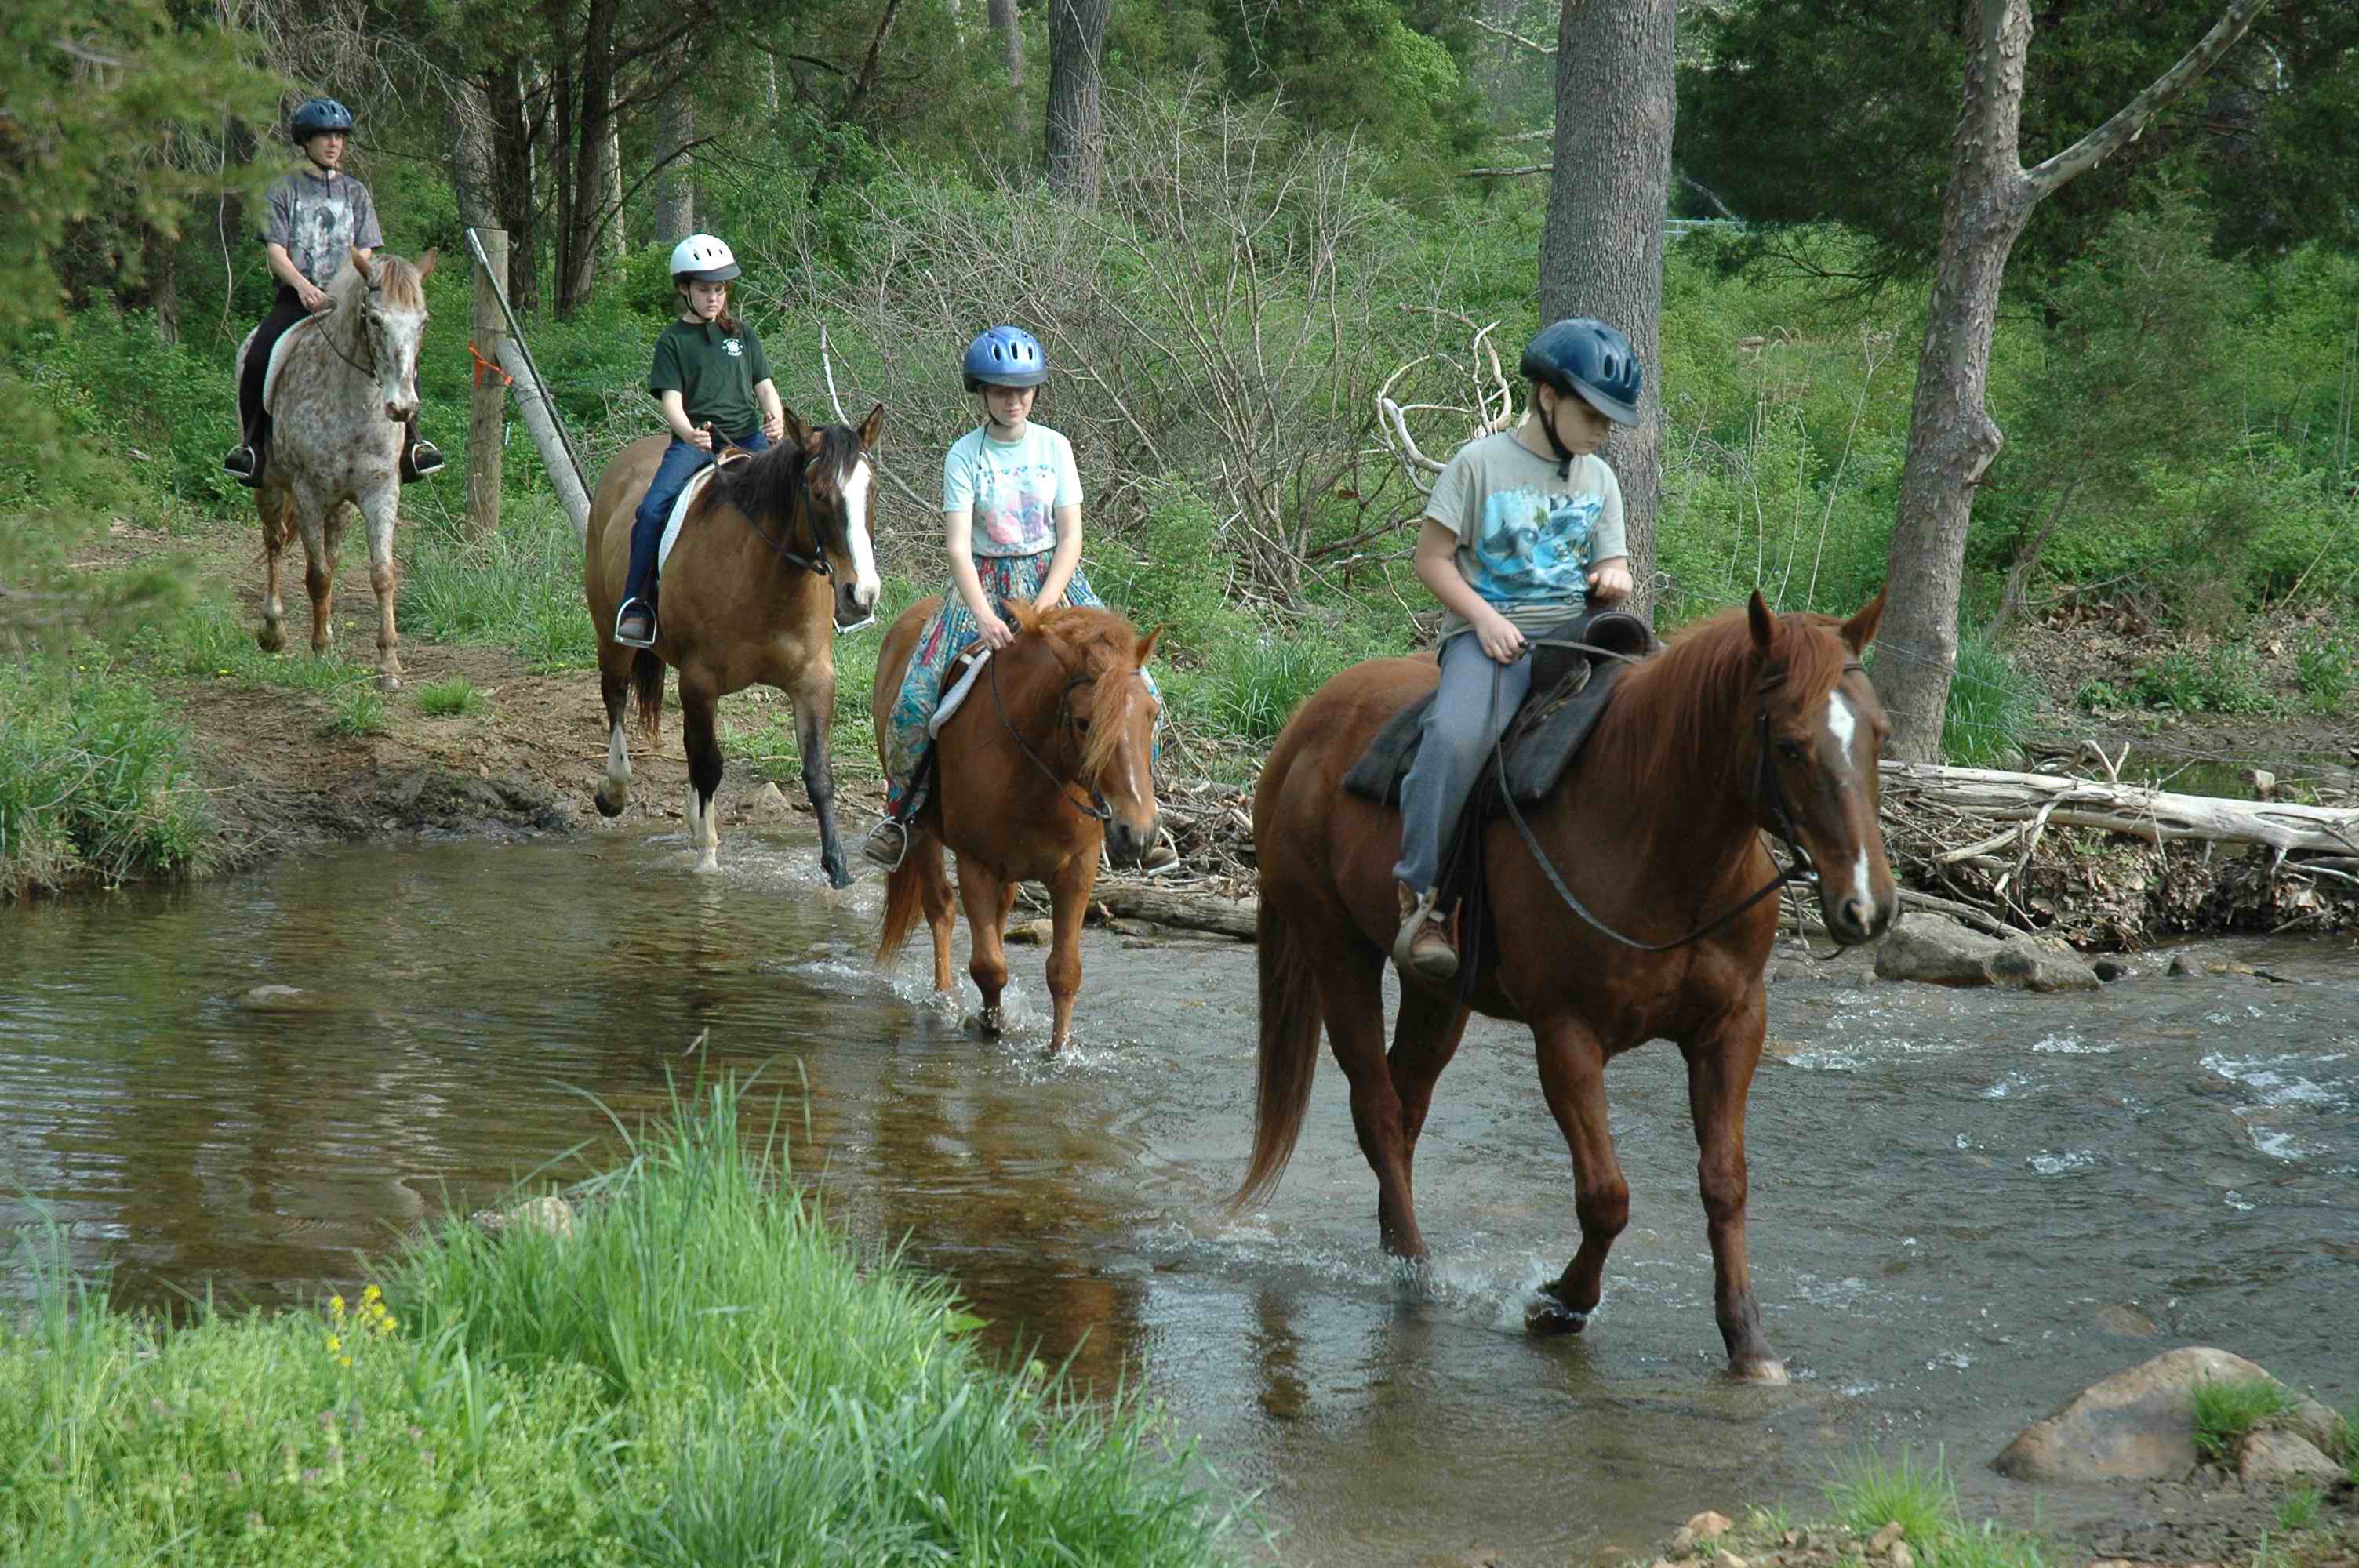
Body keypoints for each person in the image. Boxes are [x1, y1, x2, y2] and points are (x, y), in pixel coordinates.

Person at [863, 326, 1178, 874]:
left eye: (1024, 390)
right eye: (1003, 391)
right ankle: (901, 817)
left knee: (1141, 689)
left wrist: (1050, 603)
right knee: (914, 701)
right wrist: (985, 617)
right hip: (983, 583)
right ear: (981, 393)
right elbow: (958, 547)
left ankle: (1147, 817)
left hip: (1054, 577)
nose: (1015, 401)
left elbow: (1071, 536)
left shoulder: (1055, 447)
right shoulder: (964, 455)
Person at [1390, 317, 1641, 982]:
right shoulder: (1478, 465)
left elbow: (1612, 561)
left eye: (1611, 422)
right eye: (1593, 414)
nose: (1602, 432)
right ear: (1549, 397)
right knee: (1453, 737)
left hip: (1577, 631)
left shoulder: (1600, 480)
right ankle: (1425, 899)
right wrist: (1481, 619)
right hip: (1491, 635)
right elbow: (1432, 560)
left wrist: (1615, 579)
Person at [223, 96, 443, 489]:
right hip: (298, 299)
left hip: (347, 301)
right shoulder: (283, 191)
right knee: (259, 355)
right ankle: (253, 448)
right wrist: (305, 287)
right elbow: (276, 252)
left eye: (339, 137)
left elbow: (366, 253)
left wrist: (347, 286)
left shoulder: (356, 193)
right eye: (325, 136)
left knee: (399, 349)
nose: (334, 143)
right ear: (305, 141)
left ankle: (412, 444)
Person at [612, 234, 788, 648]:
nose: (714, 298)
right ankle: (637, 602)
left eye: (720, 289)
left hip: (746, 437)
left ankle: (819, 598)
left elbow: (764, 386)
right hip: (696, 443)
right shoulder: (673, 341)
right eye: (706, 289)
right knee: (653, 510)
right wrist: (688, 430)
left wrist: (776, 420)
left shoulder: (743, 335)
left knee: (796, 497)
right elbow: (670, 401)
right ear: (684, 289)